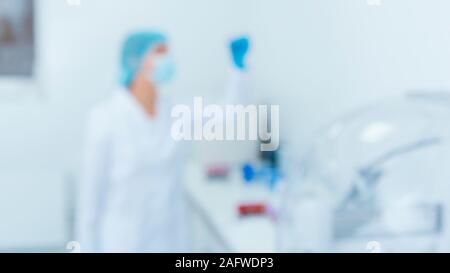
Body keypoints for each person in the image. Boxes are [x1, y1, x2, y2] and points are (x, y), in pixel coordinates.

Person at [76, 31, 250, 253]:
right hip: (123, 242)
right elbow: (89, 205)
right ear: (134, 60)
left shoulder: (175, 111)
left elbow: (232, 114)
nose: (167, 60)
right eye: (159, 52)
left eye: (168, 53)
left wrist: (238, 69)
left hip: (171, 240)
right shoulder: (105, 117)